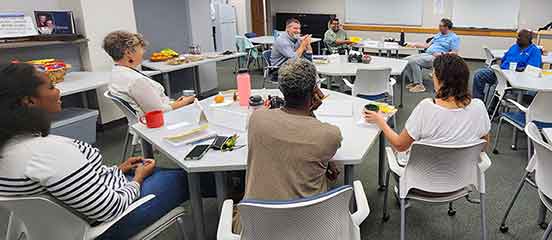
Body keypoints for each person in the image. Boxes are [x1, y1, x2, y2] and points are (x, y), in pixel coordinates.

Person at [0, 63, 215, 239]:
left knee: (166, 172)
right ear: (29, 101)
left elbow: (70, 186)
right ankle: (236, 196)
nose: (58, 91)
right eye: (50, 87)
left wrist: (116, 170)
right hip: (108, 224)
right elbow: (110, 208)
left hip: (64, 225)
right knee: (187, 177)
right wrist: (137, 180)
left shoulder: (10, 148)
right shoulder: (47, 153)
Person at [234, 59, 343, 232]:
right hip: (309, 229)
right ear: (314, 91)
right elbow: (311, 137)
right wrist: (310, 111)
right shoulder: (330, 135)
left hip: (258, 229)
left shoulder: (257, 119)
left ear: (281, 89)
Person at [364, 54, 490, 165]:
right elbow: (483, 145)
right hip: (461, 182)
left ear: (440, 80)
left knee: (397, 149)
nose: (431, 76)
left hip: (422, 185)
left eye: (433, 74)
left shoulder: (427, 107)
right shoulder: (479, 106)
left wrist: (380, 121)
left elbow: (400, 145)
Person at [103, 31, 195, 116]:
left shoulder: (117, 72)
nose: (143, 52)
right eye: (141, 48)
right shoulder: (136, 81)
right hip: (159, 124)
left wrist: (176, 103)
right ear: (128, 53)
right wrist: (185, 102)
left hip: (146, 121)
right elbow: (158, 112)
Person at [472, 29, 542, 100]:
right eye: (518, 36)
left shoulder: (534, 51)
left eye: (520, 37)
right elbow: (503, 60)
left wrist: (519, 69)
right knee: (479, 74)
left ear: (528, 39)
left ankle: (492, 108)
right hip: (501, 73)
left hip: (514, 78)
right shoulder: (514, 47)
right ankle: (478, 101)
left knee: (499, 85)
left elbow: (532, 70)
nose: (518, 38)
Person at [402, 18, 460, 93]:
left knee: (413, 61)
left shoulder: (454, 38)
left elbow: (455, 53)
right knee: (406, 60)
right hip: (427, 54)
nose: (439, 27)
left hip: (438, 58)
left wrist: (442, 54)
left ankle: (419, 85)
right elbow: (427, 45)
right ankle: (413, 82)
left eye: (440, 26)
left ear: (446, 27)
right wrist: (414, 44)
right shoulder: (438, 35)